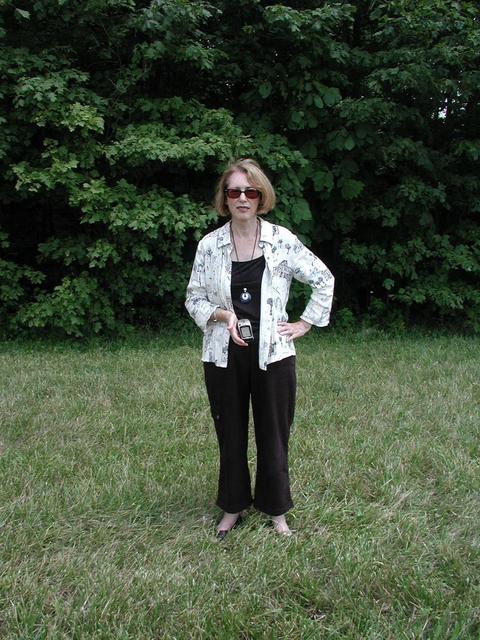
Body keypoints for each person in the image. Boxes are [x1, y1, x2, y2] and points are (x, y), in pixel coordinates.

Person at [185, 158, 334, 539]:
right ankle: (233, 506)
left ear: (261, 195)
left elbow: (323, 279)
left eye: (250, 191)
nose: (242, 198)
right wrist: (221, 315)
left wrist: (305, 322)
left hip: (274, 354)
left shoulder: (282, 240)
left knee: (273, 434)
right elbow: (193, 298)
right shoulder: (210, 245)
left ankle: (276, 510)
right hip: (223, 353)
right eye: (233, 191)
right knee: (229, 434)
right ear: (225, 198)